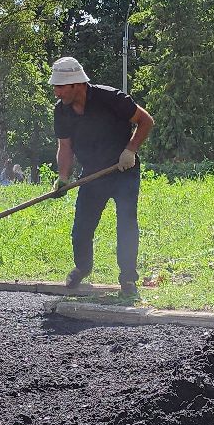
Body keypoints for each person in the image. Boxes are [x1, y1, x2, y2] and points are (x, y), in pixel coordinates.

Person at [49, 56, 153, 304]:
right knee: (81, 229)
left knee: (126, 225)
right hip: (92, 174)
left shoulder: (111, 99)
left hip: (123, 171)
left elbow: (146, 121)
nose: (56, 91)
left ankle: (128, 279)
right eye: (55, 86)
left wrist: (131, 150)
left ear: (77, 84)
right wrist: (63, 178)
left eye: (61, 86)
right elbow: (65, 146)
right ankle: (83, 268)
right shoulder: (61, 110)